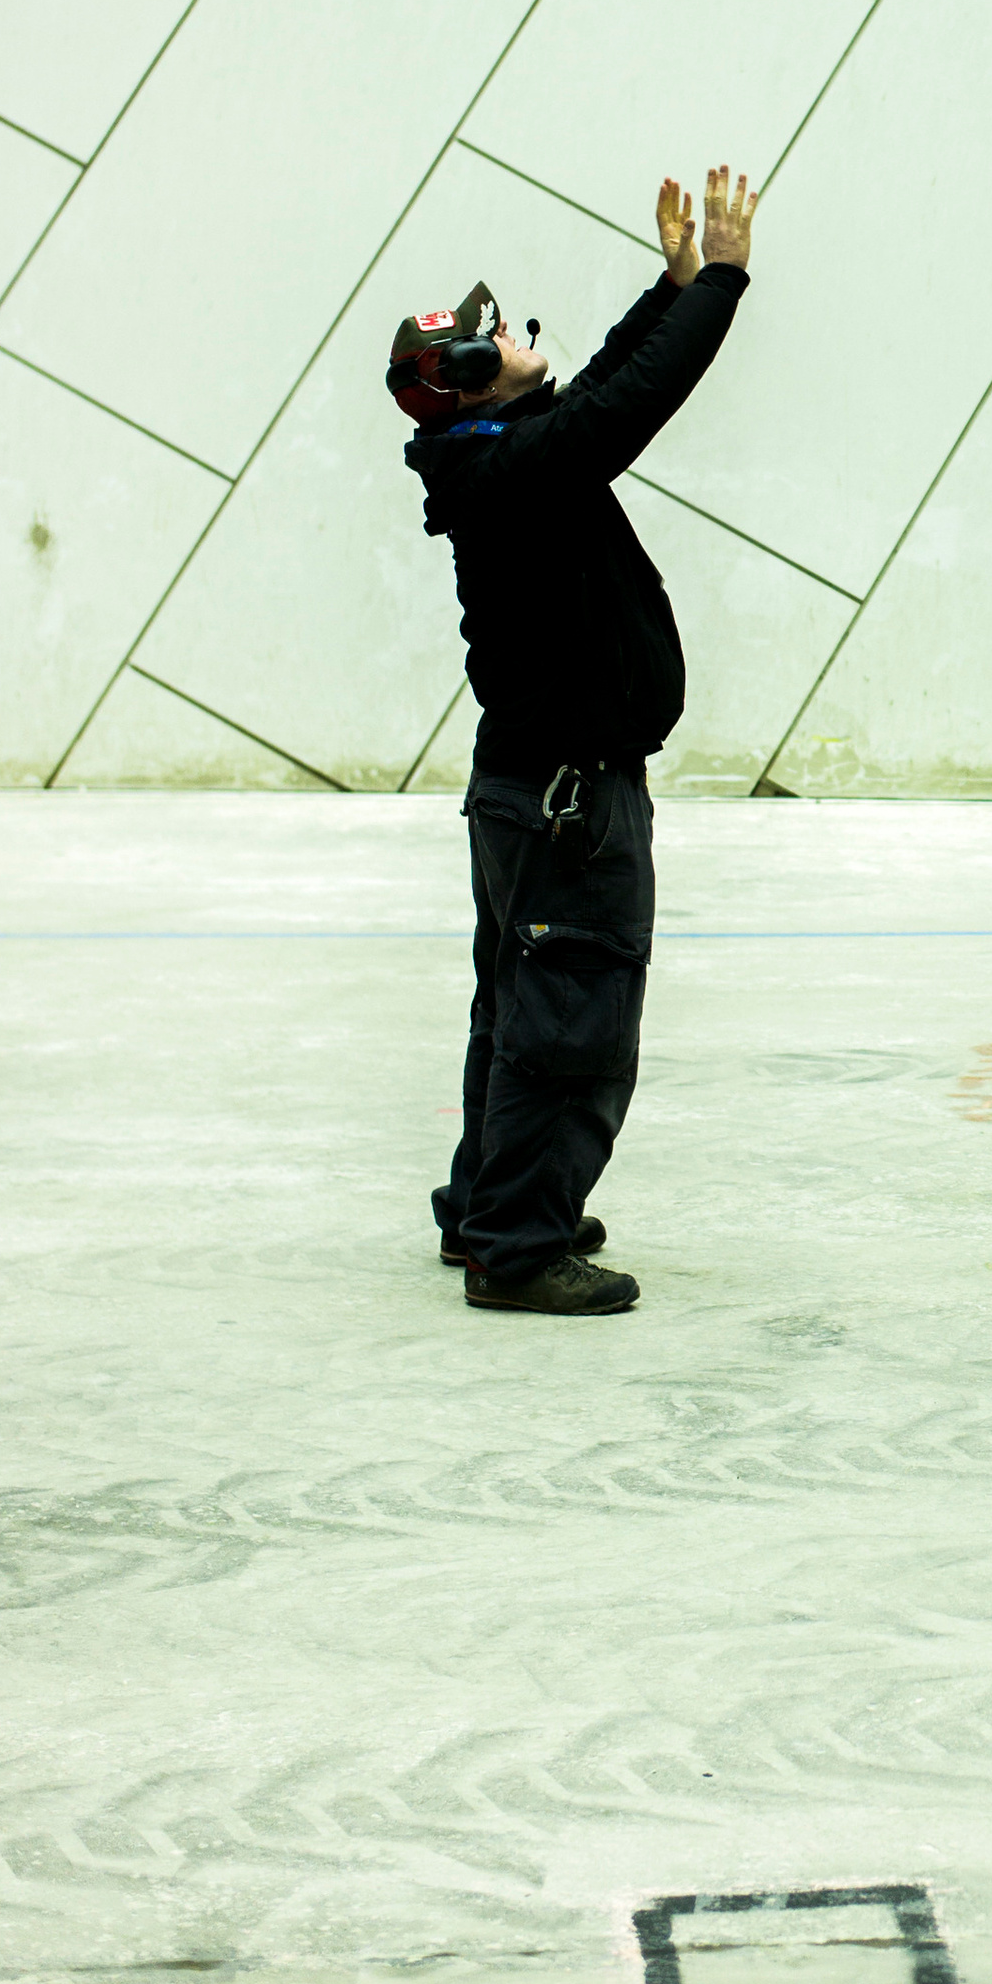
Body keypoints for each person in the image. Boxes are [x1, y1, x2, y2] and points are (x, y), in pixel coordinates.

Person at [385, 163, 758, 1318]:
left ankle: (486, 1208)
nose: (521, 339)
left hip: (530, 797)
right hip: (564, 805)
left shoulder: (506, 458)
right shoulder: (513, 471)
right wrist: (726, 286)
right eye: (500, 341)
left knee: (516, 1009)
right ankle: (516, 1245)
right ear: (466, 391)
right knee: (569, 1027)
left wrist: (674, 285)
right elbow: (621, 407)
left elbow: (599, 386)